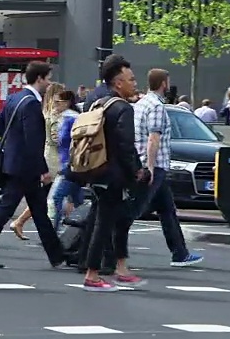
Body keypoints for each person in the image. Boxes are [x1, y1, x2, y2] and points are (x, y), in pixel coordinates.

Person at [0, 61, 65, 269]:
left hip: (13, 163)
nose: (49, 83)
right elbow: (33, 140)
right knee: (6, 210)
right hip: (25, 167)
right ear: (39, 78)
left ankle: (57, 255)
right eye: (48, 78)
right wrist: (43, 169)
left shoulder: (15, 98)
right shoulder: (31, 103)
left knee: (38, 210)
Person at [72, 56, 146, 292]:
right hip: (114, 175)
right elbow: (126, 145)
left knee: (119, 221)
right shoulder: (123, 108)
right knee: (104, 223)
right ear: (118, 83)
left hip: (96, 170)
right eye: (131, 79)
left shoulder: (99, 103)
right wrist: (136, 170)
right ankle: (92, 274)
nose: (135, 83)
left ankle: (121, 268)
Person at [133, 68, 203, 268]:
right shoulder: (155, 106)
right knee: (134, 209)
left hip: (150, 164)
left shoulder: (140, 104)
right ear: (163, 83)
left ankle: (180, 253)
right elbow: (153, 138)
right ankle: (108, 250)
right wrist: (151, 168)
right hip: (156, 166)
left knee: (167, 209)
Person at [9, 82, 65, 240]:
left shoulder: (43, 110)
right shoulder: (53, 114)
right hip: (54, 159)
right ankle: (25, 223)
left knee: (42, 196)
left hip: (48, 156)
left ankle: (21, 222)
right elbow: (55, 139)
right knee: (49, 196)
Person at [51, 90, 84, 232]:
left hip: (70, 164)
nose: (55, 105)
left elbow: (71, 141)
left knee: (58, 197)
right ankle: (84, 229)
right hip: (70, 163)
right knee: (78, 200)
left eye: (58, 102)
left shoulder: (71, 118)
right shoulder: (66, 118)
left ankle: (56, 229)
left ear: (66, 103)